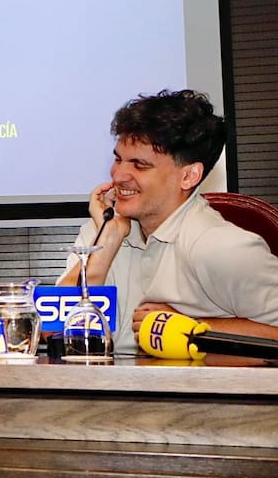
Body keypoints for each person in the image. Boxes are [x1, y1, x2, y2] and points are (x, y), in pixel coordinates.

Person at [61, 89, 278, 352]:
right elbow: (55, 330)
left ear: (189, 176)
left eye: (140, 165)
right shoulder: (102, 229)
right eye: (118, 159)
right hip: (105, 388)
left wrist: (188, 329)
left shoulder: (222, 247)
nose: (119, 176)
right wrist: (106, 242)